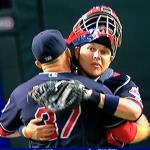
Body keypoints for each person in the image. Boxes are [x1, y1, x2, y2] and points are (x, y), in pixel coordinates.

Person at [17, 5, 150, 147]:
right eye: (91, 48)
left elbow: (136, 113)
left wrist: (89, 96)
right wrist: (25, 130)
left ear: (111, 59)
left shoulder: (119, 82)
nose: (97, 56)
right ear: (77, 51)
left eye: (104, 52)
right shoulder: (57, 77)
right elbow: (11, 123)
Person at [0, 29, 134, 148]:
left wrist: (25, 131)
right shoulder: (96, 88)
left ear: (38, 63)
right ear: (68, 53)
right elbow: (124, 134)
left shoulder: (21, 93)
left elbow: (2, 131)